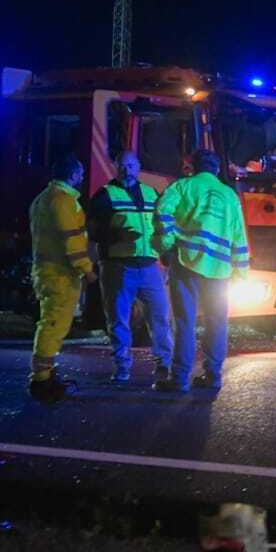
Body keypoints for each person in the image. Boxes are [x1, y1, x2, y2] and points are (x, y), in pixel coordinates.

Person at [155, 149, 250, 392]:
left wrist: (165, 244)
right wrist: (241, 273)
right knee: (217, 322)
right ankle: (213, 376)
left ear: (193, 167)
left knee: (185, 322)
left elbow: (163, 211)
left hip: (186, 263)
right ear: (217, 170)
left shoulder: (182, 187)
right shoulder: (230, 196)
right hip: (219, 269)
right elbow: (239, 236)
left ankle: (179, 380)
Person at [87, 150, 173, 384]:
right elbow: (92, 232)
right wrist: (115, 236)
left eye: (131, 165)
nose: (127, 170)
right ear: (116, 167)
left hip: (149, 266)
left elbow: (161, 227)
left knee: (160, 317)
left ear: (138, 167)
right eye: (123, 165)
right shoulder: (105, 195)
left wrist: (166, 255)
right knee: (118, 320)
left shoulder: (150, 193)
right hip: (117, 266)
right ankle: (122, 366)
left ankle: (164, 365)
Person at [27, 153, 97, 401]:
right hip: (60, 275)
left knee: (50, 323)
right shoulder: (64, 202)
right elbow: (73, 241)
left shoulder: (42, 200)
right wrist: (87, 269)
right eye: (80, 172)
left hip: (47, 272)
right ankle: (42, 380)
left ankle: (45, 374)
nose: (83, 176)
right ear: (74, 174)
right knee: (54, 326)